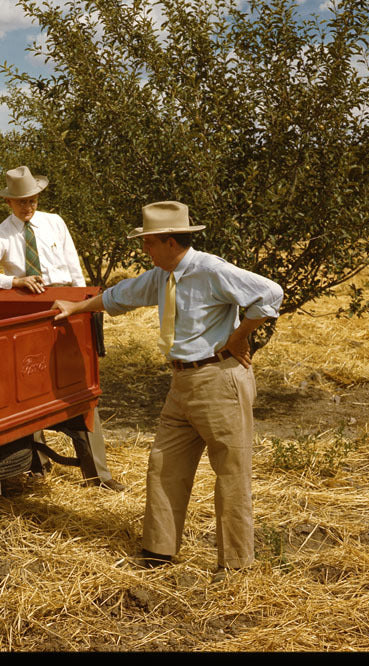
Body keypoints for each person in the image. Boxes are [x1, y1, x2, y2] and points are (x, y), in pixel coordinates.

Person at [52, 200, 283, 577]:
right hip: (181, 384)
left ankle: (236, 566)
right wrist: (76, 309)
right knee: (163, 465)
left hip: (219, 380)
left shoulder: (210, 269)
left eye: (150, 243)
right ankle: (159, 551)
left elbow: (270, 294)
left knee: (231, 472)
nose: (145, 250)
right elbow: (120, 296)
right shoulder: (162, 275)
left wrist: (240, 337)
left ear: (170, 242)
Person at [0, 166, 125, 492]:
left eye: (33, 200)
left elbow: (73, 266)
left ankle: (98, 476)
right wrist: (14, 281)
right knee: (31, 386)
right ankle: (37, 465)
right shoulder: (2, 234)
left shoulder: (55, 222)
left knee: (79, 387)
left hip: (68, 307)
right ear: (9, 202)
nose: (28, 207)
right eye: (21, 202)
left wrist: (86, 306)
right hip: (31, 311)